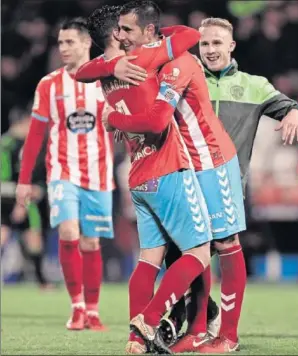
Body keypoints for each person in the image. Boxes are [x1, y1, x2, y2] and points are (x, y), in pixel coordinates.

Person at [105, 16, 298, 353]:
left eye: (217, 43)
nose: (211, 49)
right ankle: (196, 327)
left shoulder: (253, 84)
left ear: (231, 46)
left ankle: (227, 336)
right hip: (185, 172)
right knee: (187, 253)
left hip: (222, 171)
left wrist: (294, 113)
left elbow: (295, 109)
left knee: (226, 244)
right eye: (205, 43)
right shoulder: (178, 69)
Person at [77, 2, 214, 354]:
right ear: (114, 35)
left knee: (148, 259)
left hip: (137, 175)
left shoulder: (103, 75)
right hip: (166, 167)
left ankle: (135, 341)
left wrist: (110, 62)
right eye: (121, 30)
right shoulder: (143, 58)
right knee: (199, 253)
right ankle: (150, 319)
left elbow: (82, 71)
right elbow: (191, 35)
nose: (125, 34)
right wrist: (153, 33)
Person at [15, 18, 114, 331]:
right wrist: (24, 180)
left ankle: (94, 310)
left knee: (91, 242)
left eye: (70, 42)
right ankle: (77, 306)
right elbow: (35, 135)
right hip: (61, 171)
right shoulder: (49, 84)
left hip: (98, 173)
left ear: (86, 44)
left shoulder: (106, 80)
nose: (64, 48)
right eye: (60, 43)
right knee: (68, 232)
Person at [1, 107, 52, 289]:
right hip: (8, 200)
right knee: (7, 235)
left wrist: (37, 189)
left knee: (33, 236)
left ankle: (42, 281)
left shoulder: (24, 144)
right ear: (22, 122)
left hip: (21, 199)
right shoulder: (7, 146)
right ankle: (42, 282)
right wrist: (20, 199)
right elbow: (5, 179)